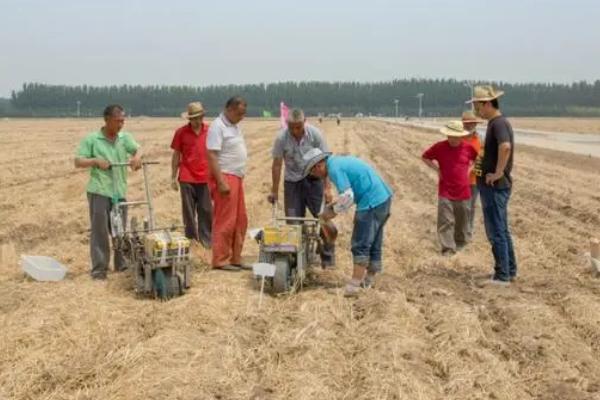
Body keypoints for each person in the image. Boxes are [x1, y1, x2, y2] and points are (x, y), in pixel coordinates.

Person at [303, 148, 393, 297]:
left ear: (318, 166)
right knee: (375, 241)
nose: (316, 177)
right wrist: (333, 207)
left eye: (313, 174)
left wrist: (330, 213)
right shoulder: (338, 162)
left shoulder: (334, 169)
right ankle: (368, 280)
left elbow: (348, 196)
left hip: (371, 202)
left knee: (360, 243)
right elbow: (349, 193)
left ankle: (353, 287)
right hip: (383, 198)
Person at [75, 104, 142, 280]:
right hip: (99, 190)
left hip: (119, 191)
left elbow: (137, 149)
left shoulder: (124, 138)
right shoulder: (92, 139)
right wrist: (95, 161)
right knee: (100, 231)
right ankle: (99, 269)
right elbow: (78, 161)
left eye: (123, 121)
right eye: (118, 121)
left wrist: (136, 158)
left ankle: (122, 265)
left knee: (120, 230)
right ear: (106, 120)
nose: (121, 125)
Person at [268, 108, 335, 267]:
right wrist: (274, 191)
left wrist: (327, 188)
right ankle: (294, 259)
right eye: (291, 127)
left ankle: (327, 256)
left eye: (298, 127)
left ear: (305, 122)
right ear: (287, 124)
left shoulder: (315, 135)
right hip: (292, 183)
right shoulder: (281, 138)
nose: (295, 130)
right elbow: (277, 165)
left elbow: (326, 162)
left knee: (323, 218)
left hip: (313, 181)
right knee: (292, 222)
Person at [468, 85, 517, 285]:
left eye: (478, 106)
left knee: (496, 230)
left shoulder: (498, 124)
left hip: (495, 187)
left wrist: (497, 172)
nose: (477, 111)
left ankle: (502, 275)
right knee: (501, 229)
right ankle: (509, 270)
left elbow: (505, 147)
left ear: (487, 104)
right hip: (493, 186)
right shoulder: (496, 123)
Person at [422, 121, 478, 255]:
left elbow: (478, 159)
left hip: (463, 190)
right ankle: (448, 248)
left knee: (462, 220)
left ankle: (460, 244)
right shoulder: (439, 147)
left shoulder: (468, 148)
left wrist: (470, 169)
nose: (453, 139)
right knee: (446, 220)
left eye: (456, 136)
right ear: (447, 135)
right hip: (445, 190)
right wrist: (437, 170)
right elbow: (425, 157)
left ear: (461, 136)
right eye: (450, 136)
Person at [206, 96, 249, 271]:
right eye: (239, 113)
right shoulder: (218, 126)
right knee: (226, 220)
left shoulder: (234, 125)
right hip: (225, 176)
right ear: (229, 109)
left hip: (236, 177)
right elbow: (212, 155)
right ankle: (221, 259)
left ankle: (235, 258)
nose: (242, 117)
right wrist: (221, 181)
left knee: (241, 219)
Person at [170, 102, 212, 248]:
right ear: (189, 119)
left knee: (206, 210)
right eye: (194, 118)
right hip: (187, 177)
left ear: (203, 117)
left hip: (205, 177)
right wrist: (173, 176)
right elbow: (176, 155)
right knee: (188, 212)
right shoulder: (181, 132)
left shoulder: (210, 131)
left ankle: (206, 241)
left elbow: (215, 154)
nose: (197, 121)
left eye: (199, 118)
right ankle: (192, 241)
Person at [462, 110, 483, 241]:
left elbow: (481, 158)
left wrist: (474, 168)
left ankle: (468, 231)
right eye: (468, 123)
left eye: (473, 123)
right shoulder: (457, 138)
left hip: (474, 180)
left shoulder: (479, 139)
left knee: (470, 206)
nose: (470, 125)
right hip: (459, 179)